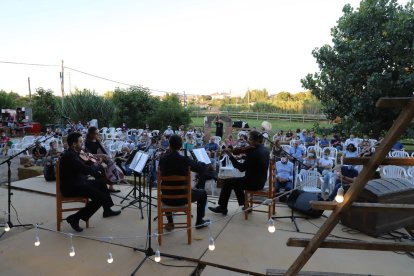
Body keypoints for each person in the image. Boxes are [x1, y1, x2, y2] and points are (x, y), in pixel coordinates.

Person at [60, 132, 121, 232]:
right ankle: (75, 218)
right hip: (71, 187)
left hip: (79, 183)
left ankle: (107, 210)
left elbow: (86, 167)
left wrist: (96, 164)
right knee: (100, 198)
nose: (82, 143)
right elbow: (86, 170)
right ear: (74, 144)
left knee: (101, 183)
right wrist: (99, 166)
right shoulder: (70, 156)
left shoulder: (75, 153)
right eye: (80, 142)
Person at [209, 130, 270, 215]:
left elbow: (241, 168)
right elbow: (256, 161)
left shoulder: (253, 152)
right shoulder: (265, 150)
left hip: (253, 183)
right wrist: (244, 157)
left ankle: (222, 207)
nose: (248, 141)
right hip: (261, 181)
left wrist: (230, 156)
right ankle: (246, 205)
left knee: (227, 182)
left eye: (249, 139)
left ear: (254, 140)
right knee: (236, 182)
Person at [159, 135, 210, 230]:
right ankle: (199, 221)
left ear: (169, 145)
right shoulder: (184, 160)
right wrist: (201, 163)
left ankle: (170, 223)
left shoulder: (163, 159)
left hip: (166, 199)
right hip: (184, 198)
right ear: (181, 145)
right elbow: (201, 168)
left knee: (168, 190)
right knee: (203, 193)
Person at [84, 126, 120, 193]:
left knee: (111, 165)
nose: (98, 135)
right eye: (96, 133)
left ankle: (111, 186)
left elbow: (103, 151)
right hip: (93, 161)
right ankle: (102, 186)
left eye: (98, 133)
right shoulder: (87, 143)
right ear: (91, 134)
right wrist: (101, 156)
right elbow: (89, 154)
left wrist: (101, 143)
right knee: (103, 169)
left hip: (100, 159)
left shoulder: (97, 141)